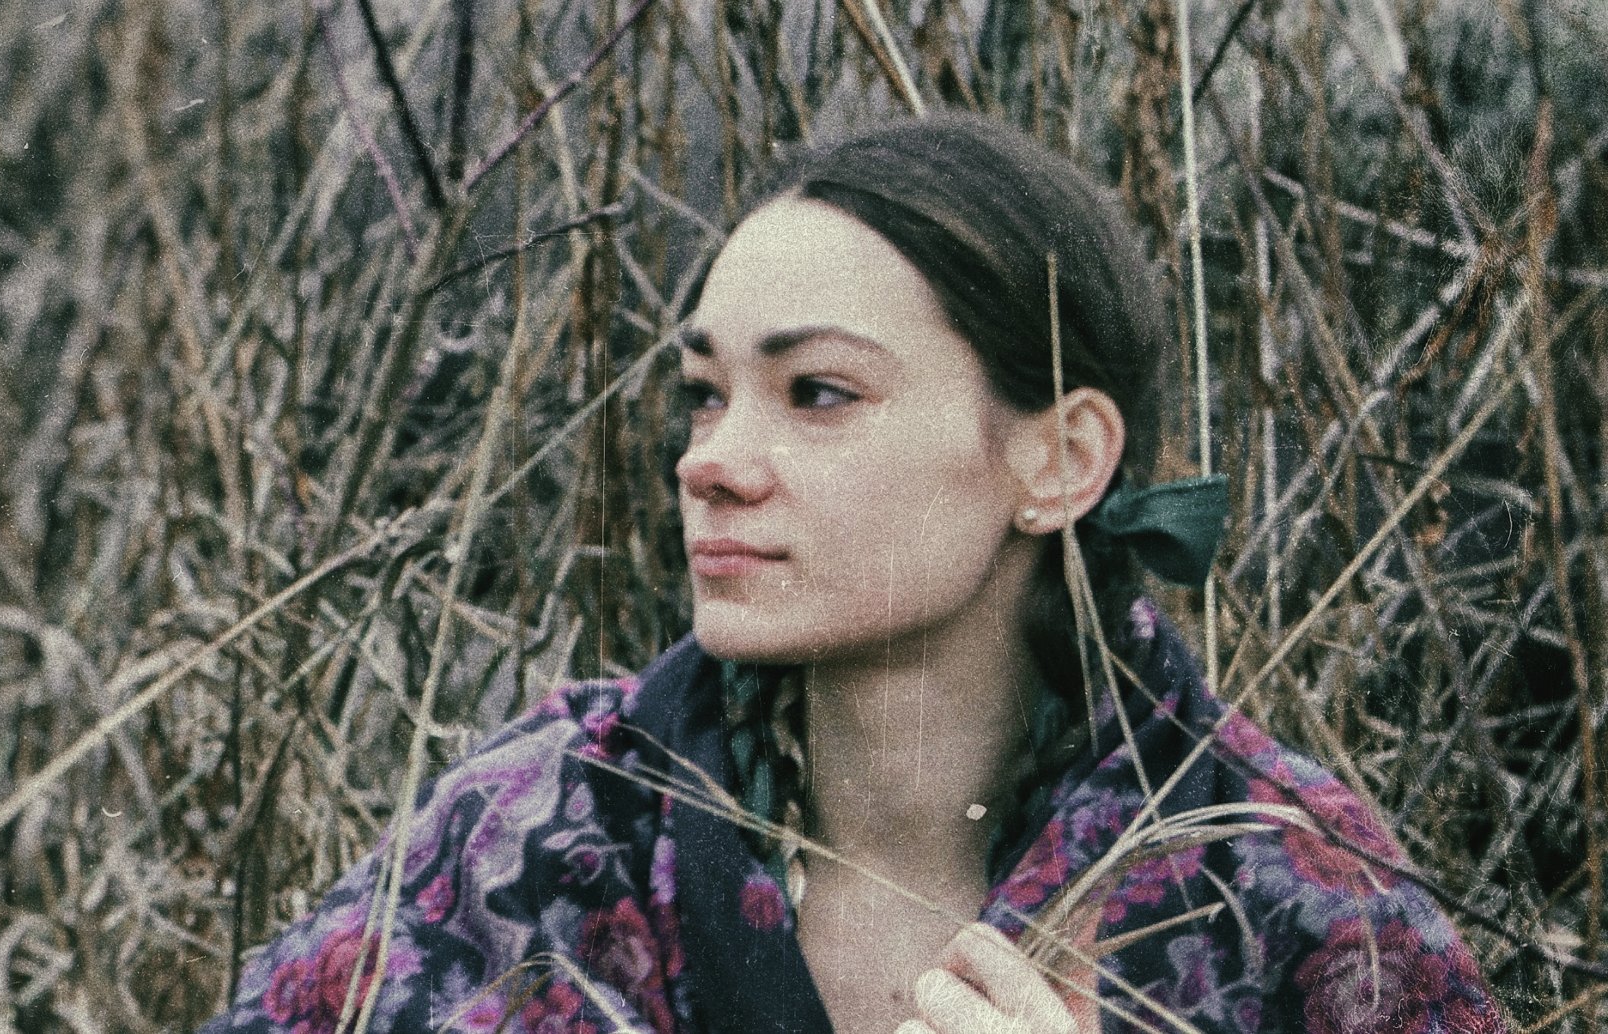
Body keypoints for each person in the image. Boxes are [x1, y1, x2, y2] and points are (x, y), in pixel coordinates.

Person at [199, 113, 1504, 1034]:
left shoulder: (1284, 889)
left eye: (818, 392)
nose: (711, 462)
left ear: (1061, 460)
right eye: (705, 393)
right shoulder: (540, 835)